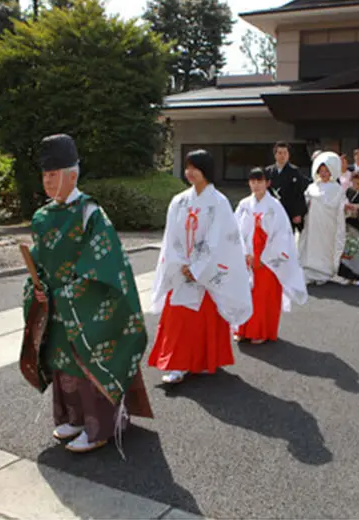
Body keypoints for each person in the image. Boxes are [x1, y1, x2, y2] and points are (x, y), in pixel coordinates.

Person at [25, 134, 152, 454]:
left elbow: (106, 263)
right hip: (57, 304)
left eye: (53, 174)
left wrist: (73, 292)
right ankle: (75, 418)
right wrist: (36, 288)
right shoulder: (42, 218)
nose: (48, 180)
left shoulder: (90, 213)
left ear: (73, 174)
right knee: (62, 362)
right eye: (44, 175)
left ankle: (102, 426)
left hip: (85, 302)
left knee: (87, 363)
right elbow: (39, 261)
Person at [148, 149, 253, 384]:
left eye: (195, 167)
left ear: (206, 170)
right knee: (178, 318)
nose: (190, 172)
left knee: (204, 317)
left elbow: (218, 239)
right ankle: (177, 364)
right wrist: (181, 263)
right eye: (187, 167)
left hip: (205, 272)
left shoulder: (219, 202)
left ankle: (205, 359)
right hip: (182, 267)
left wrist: (197, 267)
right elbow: (171, 236)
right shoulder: (179, 201)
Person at [234, 167, 308, 344]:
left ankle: (261, 331)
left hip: (268, 260)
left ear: (268, 183)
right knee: (244, 295)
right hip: (247, 258)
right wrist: (245, 253)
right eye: (253, 181)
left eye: (260, 181)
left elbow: (282, 235)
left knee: (262, 297)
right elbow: (234, 231)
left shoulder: (275, 207)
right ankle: (242, 329)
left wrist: (263, 256)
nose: (256, 185)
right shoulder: (244, 205)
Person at [298, 151, 347, 285]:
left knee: (326, 246)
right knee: (311, 246)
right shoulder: (312, 187)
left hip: (328, 223)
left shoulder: (337, 188)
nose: (324, 173)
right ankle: (310, 271)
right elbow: (304, 202)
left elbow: (341, 204)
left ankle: (324, 272)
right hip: (313, 222)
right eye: (321, 171)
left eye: (326, 170)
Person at [265, 141, 308, 233]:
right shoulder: (268, 171)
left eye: (285, 153)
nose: (282, 156)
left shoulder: (295, 171)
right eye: (280, 153)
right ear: (275, 155)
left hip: (289, 210)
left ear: (288, 155)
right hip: (271, 210)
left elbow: (299, 193)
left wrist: (298, 213)